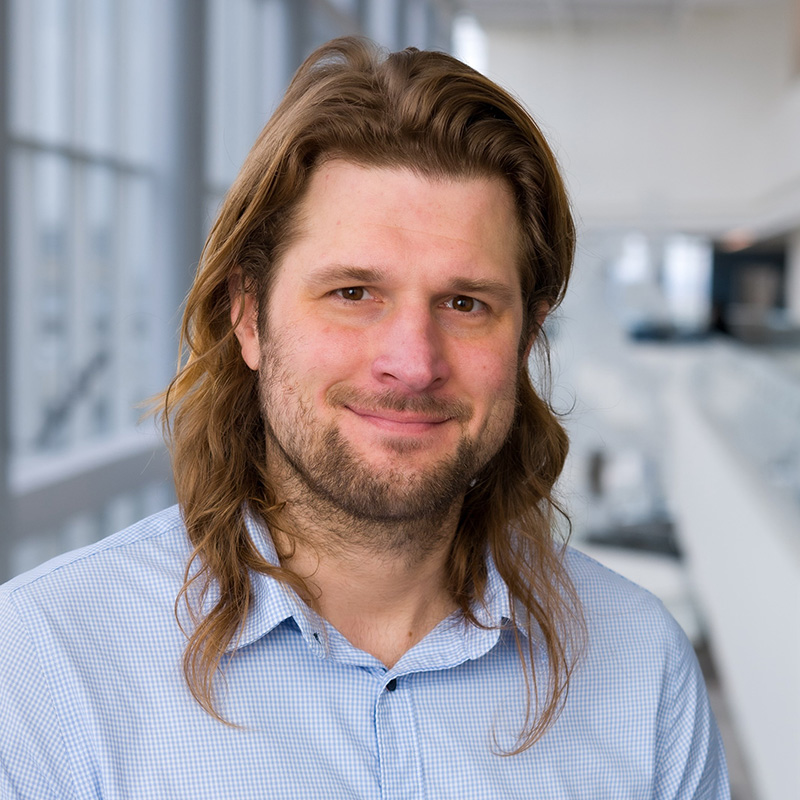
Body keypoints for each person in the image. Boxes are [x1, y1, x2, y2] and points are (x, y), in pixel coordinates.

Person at [0, 37, 729, 799]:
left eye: (466, 303)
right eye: (353, 293)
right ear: (248, 316)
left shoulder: (643, 670)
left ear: (526, 340)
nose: (413, 362)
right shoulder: (45, 672)